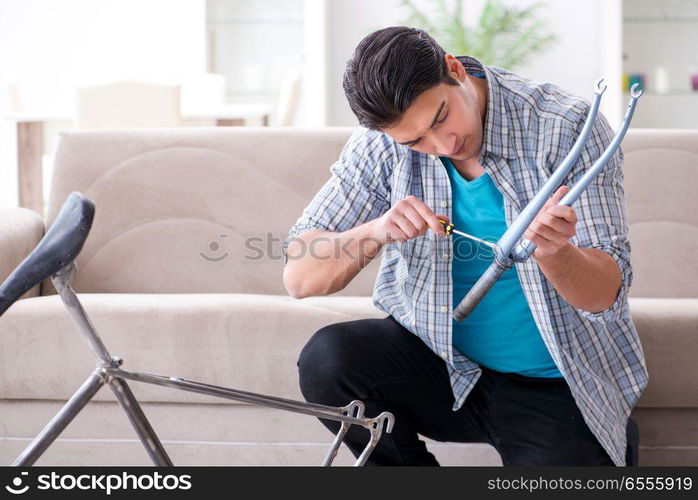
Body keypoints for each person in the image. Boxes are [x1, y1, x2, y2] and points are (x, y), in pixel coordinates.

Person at [282, 26, 646, 466]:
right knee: (329, 361)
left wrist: (557, 253)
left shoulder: (563, 124)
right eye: (416, 141)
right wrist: (374, 231)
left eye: (441, 117)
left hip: (556, 387)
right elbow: (299, 277)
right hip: (439, 368)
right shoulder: (380, 143)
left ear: (453, 69)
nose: (442, 144)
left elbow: (606, 294)